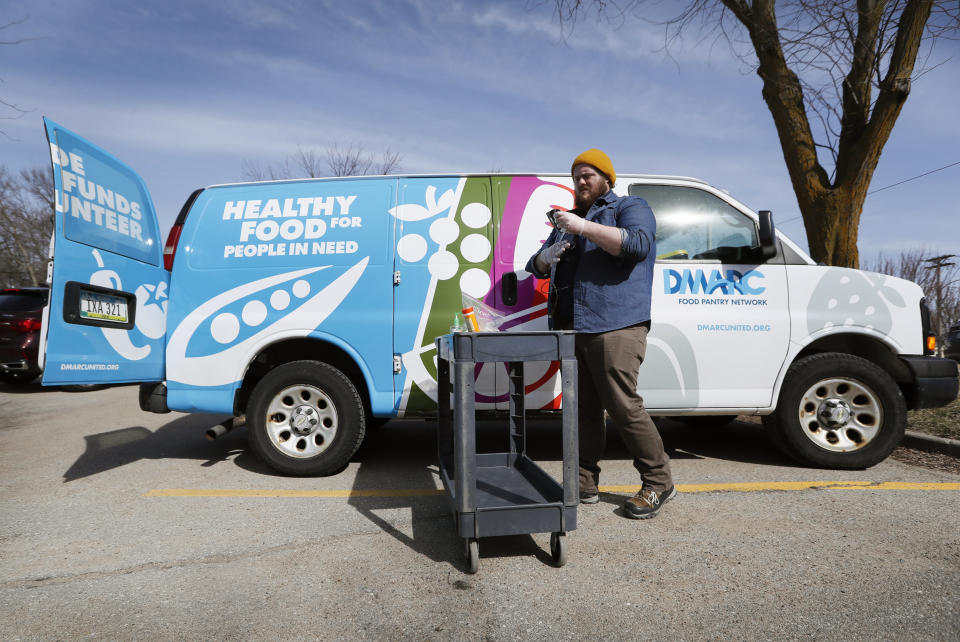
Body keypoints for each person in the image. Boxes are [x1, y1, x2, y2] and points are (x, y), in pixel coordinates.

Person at [525, 149, 675, 519]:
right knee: (581, 411)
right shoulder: (568, 220)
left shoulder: (629, 206)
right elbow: (536, 266)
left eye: (588, 174)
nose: (581, 181)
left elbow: (637, 245)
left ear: (607, 178)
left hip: (615, 325)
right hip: (570, 328)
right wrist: (547, 258)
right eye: (576, 175)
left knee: (623, 405)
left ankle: (658, 482)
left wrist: (584, 228)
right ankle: (583, 483)